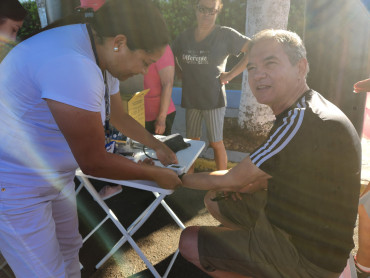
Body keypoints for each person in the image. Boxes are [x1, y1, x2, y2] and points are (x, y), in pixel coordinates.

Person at [0, 0, 182, 277]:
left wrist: (157, 144)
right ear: (120, 42)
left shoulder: (99, 50)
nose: (145, 72)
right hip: (15, 186)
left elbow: (118, 116)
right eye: (146, 62)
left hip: (52, 177)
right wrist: (155, 176)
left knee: (70, 249)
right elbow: (95, 163)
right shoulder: (74, 65)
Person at [179, 29, 361, 278]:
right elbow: (264, 175)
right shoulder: (306, 106)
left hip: (309, 256)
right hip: (300, 225)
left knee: (189, 240)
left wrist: (176, 178)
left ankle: (274, 265)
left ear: (300, 67)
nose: (257, 75)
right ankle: (260, 257)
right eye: (251, 67)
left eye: (270, 63)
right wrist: (241, 185)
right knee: (216, 199)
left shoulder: (300, 120)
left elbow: (233, 179)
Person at [172, 0, 250, 170]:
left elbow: (253, 48)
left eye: (211, 11)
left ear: (217, 12)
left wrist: (231, 74)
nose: (206, 14)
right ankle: (189, 178)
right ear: (196, 9)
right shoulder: (185, 36)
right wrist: (179, 70)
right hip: (191, 98)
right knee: (192, 143)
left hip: (213, 99)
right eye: (202, 9)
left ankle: (222, 182)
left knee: (216, 142)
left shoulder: (225, 34)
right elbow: (170, 53)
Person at [144, 44, 176, 136]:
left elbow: (168, 83)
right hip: (138, 112)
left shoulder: (163, 48)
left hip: (159, 115)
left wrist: (161, 118)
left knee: (159, 149)